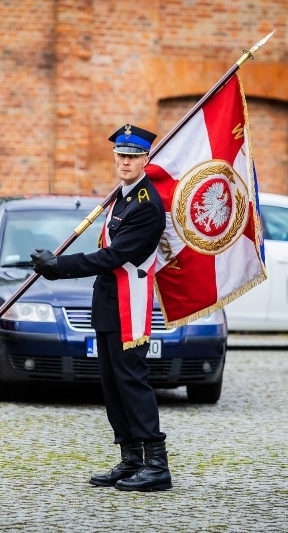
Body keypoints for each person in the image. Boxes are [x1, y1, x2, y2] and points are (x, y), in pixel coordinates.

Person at [30, 124, 172, 492]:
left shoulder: (147, 205)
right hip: (108, 304)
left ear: (146, 158)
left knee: (132, 381)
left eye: (132, 156)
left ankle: (157, 464)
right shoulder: (121, 197)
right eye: (120, 156)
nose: (125, 162)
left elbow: (115, 256)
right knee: (112, 384)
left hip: (128, 304)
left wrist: (58, 268)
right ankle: (130, 459)